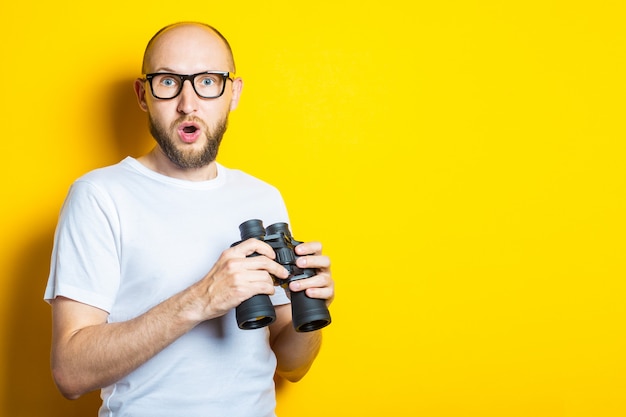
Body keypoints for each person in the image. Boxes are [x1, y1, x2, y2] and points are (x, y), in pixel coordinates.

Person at [44, 21, 334, 417]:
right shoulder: (99, 196)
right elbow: (70, 373)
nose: (188, 103)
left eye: (209, 81)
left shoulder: (263, 198)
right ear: (143, 94)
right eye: (168, 82)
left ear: (233, 93)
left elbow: (292, 366)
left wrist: (310, 309)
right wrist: (201, 299)